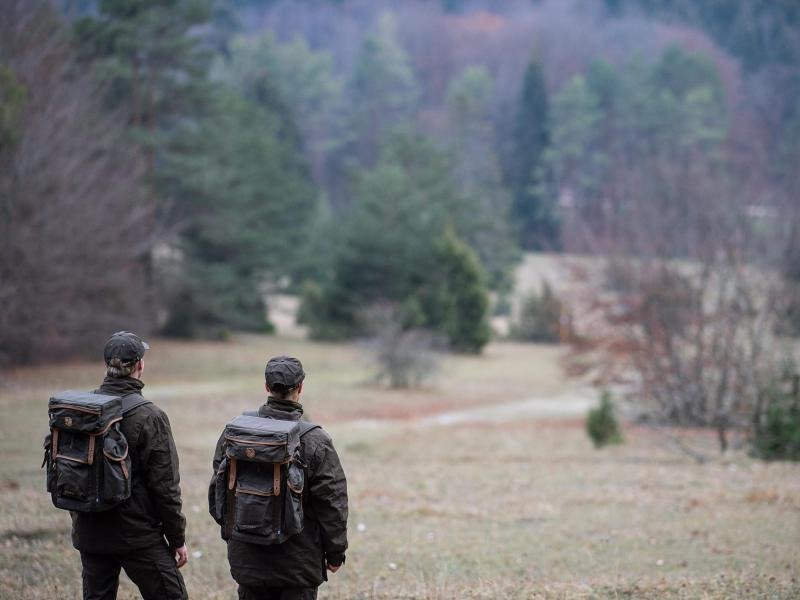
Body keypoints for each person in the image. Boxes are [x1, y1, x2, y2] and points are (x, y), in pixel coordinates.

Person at [211, 355, 348, 600]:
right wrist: (336, 553)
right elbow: (332, 504)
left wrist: (235, 535)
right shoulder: (315, 440)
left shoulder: (236, 433)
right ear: (300, 388)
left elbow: (218, 493)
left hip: (247, 559)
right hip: (298, 565)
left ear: (267, 387)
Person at [73, 331, 188, 600]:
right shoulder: (150, 416)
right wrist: (177, 539)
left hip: (90, 532)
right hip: (137, 535)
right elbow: (165, 488)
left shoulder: (80, 411)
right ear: (140, 365)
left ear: (106, 366)